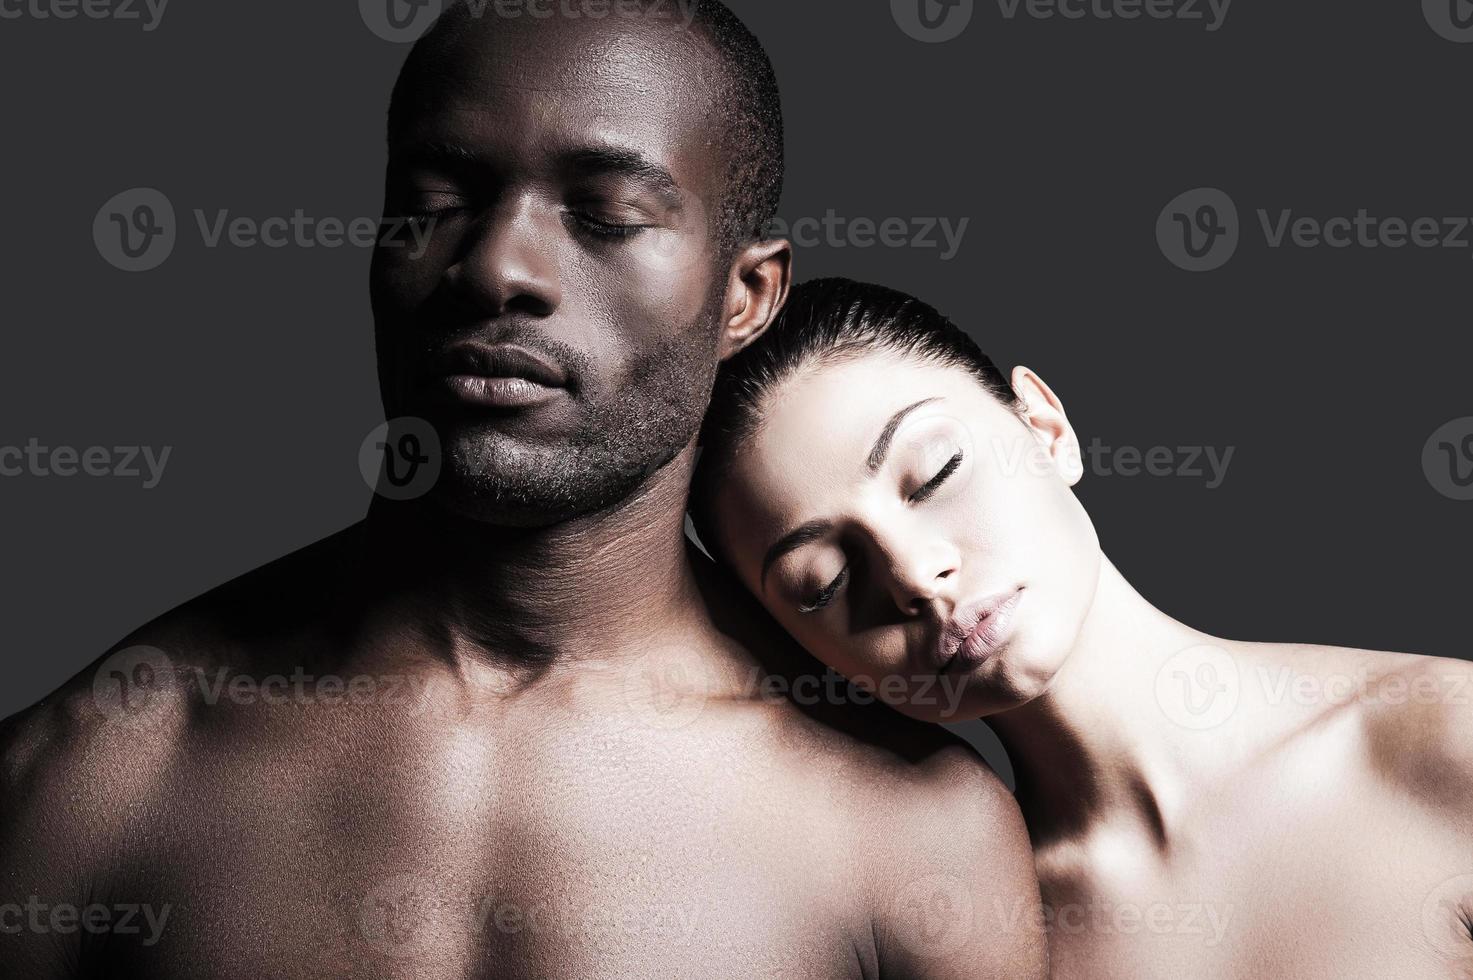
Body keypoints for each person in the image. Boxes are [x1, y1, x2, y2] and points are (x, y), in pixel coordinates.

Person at [0, 6, 1049, 978]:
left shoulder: (910, 834)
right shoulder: (98, 769)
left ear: (747, 295)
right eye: (435, 204)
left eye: (604, 215)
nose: (498, 265)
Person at [689, 276, 1473, 979]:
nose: (912, 575)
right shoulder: (973, 940)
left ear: (1045, 429)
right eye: (823, 583)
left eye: (933, 474)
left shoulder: (1445, 747)